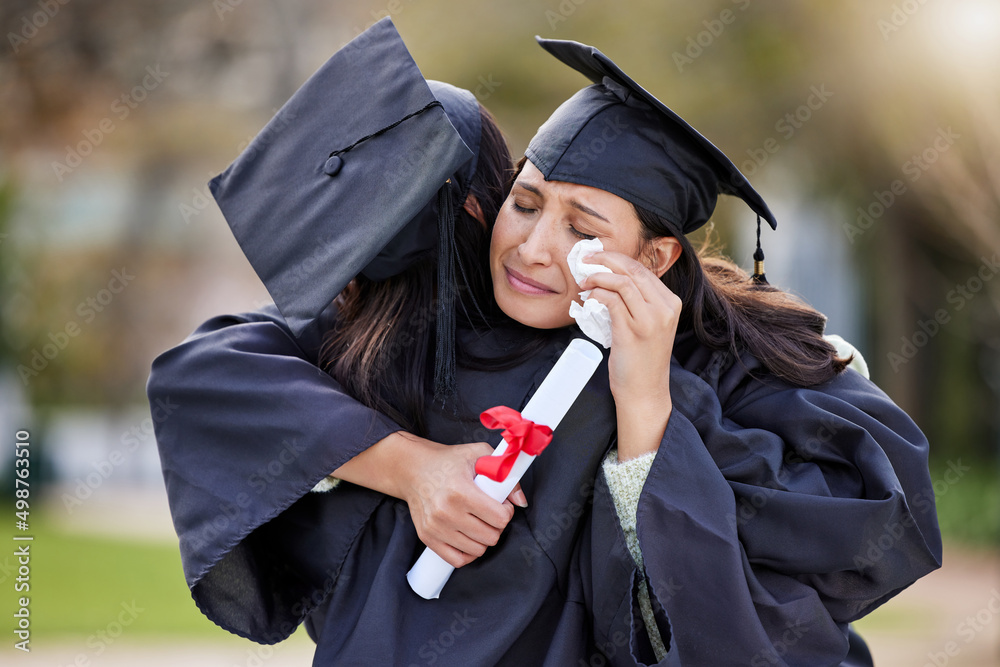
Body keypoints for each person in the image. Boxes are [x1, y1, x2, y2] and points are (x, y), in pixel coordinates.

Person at [148, 19, 942, 666]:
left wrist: (646, 406)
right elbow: (207, 376)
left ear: (655, 258)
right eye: (526, 202)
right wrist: (413, 468)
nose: (531, 249)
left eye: (582, 230)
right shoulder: (429, 318)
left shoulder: (722, 370)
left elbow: (766, 596)